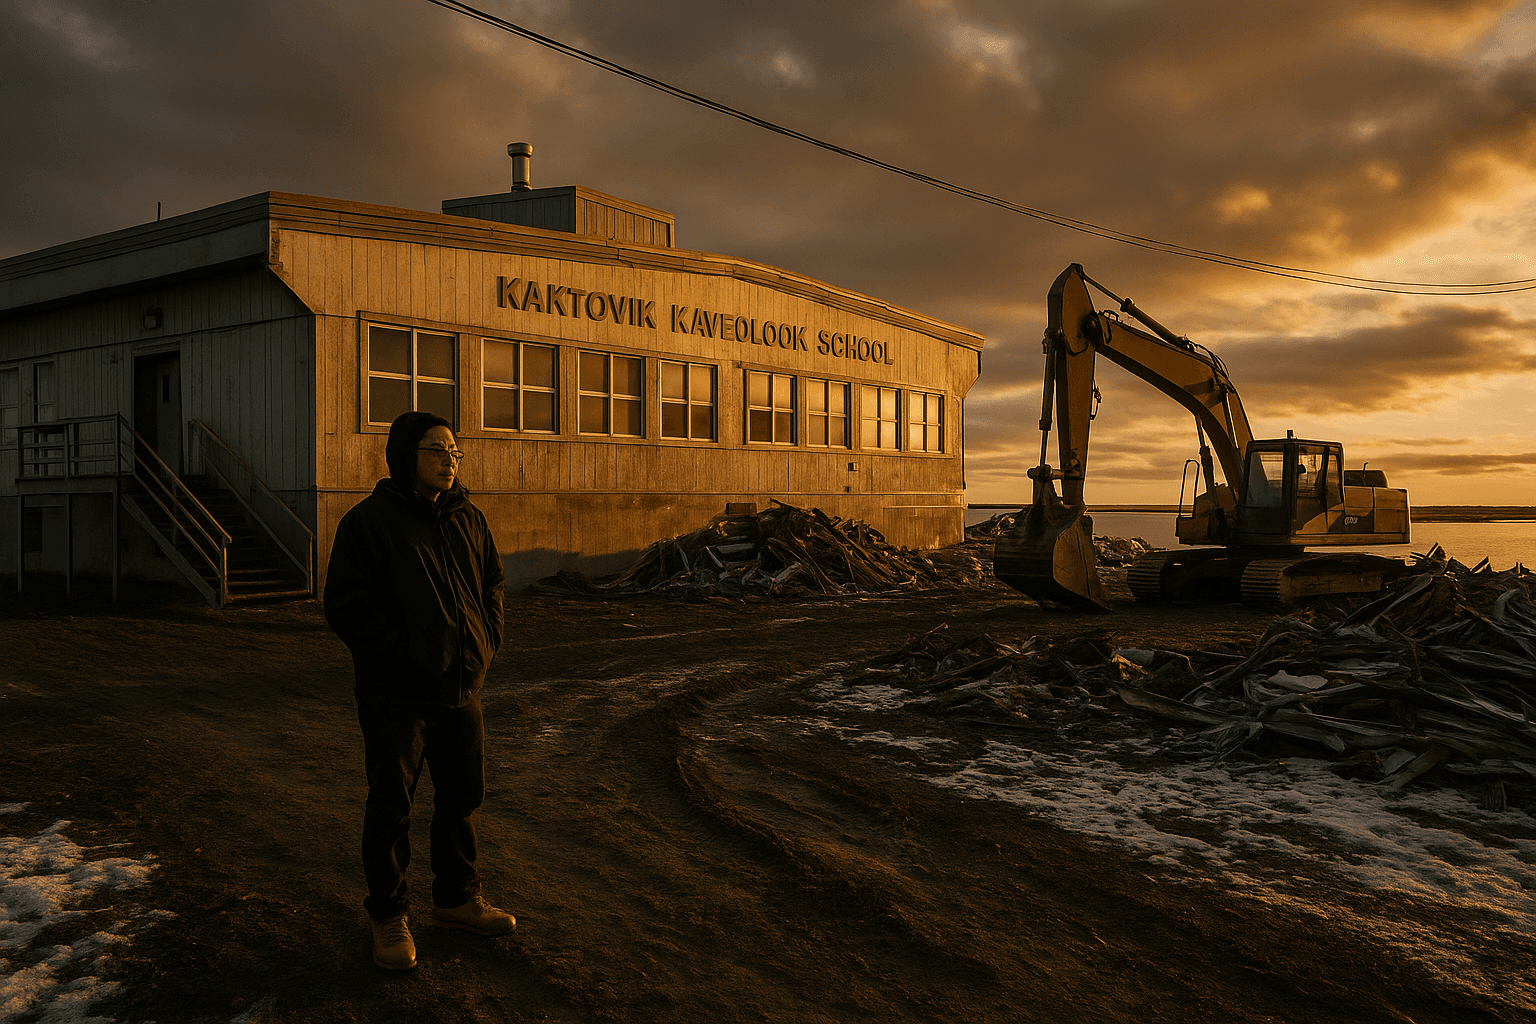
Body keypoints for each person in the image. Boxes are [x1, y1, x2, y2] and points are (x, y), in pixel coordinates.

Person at [323, 410, 513, 971]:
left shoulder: (468, 519)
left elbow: (493, 584)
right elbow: (347, 607)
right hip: (395, 696)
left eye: (455, 451)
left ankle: (455, 900)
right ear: (407, 455)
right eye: (437, 450)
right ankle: (387, 914)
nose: (450, 460)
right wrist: (404, 655)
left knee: (462, 798)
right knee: (391, 806)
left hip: (461, 688)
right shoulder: (368, 523)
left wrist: (484, 645)